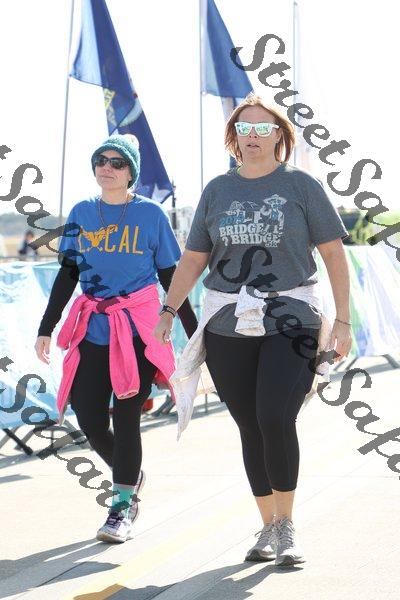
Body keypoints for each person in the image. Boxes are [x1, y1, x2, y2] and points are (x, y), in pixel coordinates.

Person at [153, 94, 352, 567]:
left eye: (264, 128)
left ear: (280, 135)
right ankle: (267, 525)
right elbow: (194, 258)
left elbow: (332, 253)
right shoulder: (218, 191)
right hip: (227, 323)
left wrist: (342, 319)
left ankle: (287, 525)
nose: (254, 136)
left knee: (274, 416)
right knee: (249, 424)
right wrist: (168, 310)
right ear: (234, 137)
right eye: (246, 129)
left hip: (291, 318)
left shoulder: (301, 186)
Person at [35, 133, 197, 543]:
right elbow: (68, 273)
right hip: (93, 326)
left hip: (139, 328)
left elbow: (171, 276)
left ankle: (121, 506)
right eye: (101, 160)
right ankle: (131, 475)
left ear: (130, 173)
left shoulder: (150, 215)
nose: (107, 167)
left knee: (127, 417)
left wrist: (195, 335)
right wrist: (46, 327)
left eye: (117, 162)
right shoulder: (82, 212)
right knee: (88, 415)